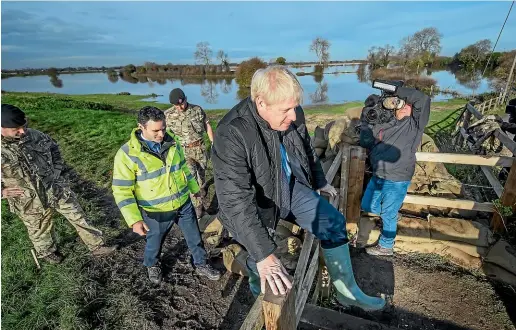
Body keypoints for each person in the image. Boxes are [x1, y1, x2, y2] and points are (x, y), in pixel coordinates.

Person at [211, 66, 385, 311]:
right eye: (286, 110)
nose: (294, 115)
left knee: (332, 222)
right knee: (261, 256)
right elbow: (235, 200)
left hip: (288, 187)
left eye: (294, 107)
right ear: (261, 102)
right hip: (256, 202)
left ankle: (348, 293)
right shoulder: (232, 133)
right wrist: (263, 254)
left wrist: (320, 182)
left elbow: (307, 152)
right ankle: (262, 306)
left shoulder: (294, 114)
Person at [112, 106, 220, 284]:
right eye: (156, 131)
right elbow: (121, 189)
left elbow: (183, 168)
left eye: (163, 128)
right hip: (156, 210)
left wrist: (194, 189)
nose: (161, 134)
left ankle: (201, 263)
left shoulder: (173, 142)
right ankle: (152, 264)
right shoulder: (127, 154)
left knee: (194, 235)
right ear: (141, 127)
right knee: (155, 241)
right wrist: (134, 220)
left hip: (183, 202)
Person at [1, 104, 117, 263]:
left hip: (54, 188)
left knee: (78, 215)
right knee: (38, 227)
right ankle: (46, 251)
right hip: (27, 198)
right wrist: (2, 192)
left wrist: (56, 170)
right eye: (16, 129)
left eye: (24, 126)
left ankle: (97, 246)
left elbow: (54, 148)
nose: (22, 132)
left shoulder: (35, 135)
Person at [360, 87, 431, 256]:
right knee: (367, 205)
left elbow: (423, 99)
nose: (406, 106)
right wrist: (366, 119)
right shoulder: (383, 123)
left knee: (388, 213)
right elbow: (365, 142)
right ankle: (391, 217)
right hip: (379, 174)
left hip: (398, 178)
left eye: (408, 104)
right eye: (400, 103)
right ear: (393, 107)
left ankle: (386, 246)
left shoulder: (414, 124)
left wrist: (396, 90)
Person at [165, 88, 214, 217]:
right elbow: (164, 134)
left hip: (200, 149)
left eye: (182, 103)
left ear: (186, 99)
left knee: (201, 178)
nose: (180, 107)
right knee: (191, 178)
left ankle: (203, 198)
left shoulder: (197, 110)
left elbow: (207, 125)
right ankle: (198, 208)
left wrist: (213, 141)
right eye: (177, 105)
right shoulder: (168, 115)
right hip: (183, 151)